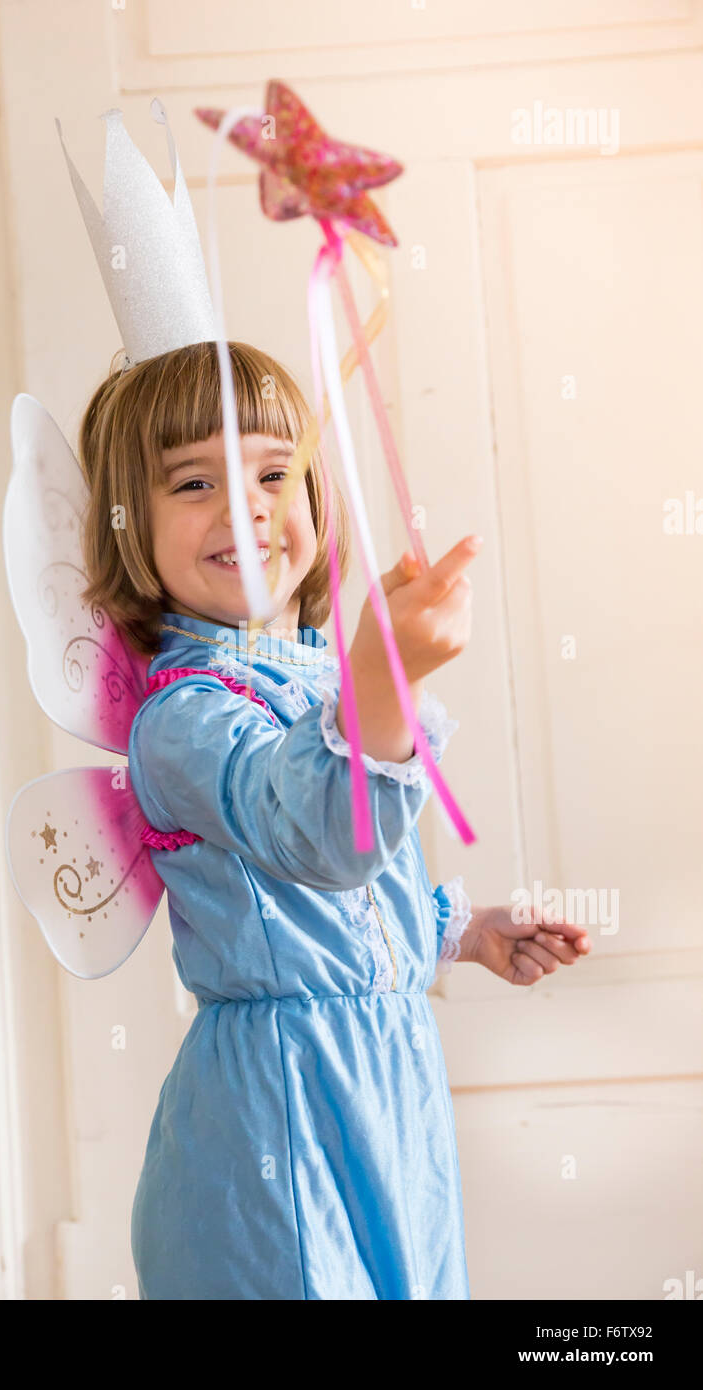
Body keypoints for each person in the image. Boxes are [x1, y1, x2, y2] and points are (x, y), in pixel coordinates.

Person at [76, 337, 590, 1301]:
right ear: (126, 528)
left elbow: (349, 907)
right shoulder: (183, 718)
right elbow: (316, 831)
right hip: (281, 1113)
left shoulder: (312, 677)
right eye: (193, 483)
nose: (246, 507)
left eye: (275, 471)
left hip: (393, 1091)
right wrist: (380, 685)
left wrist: (464, 933)